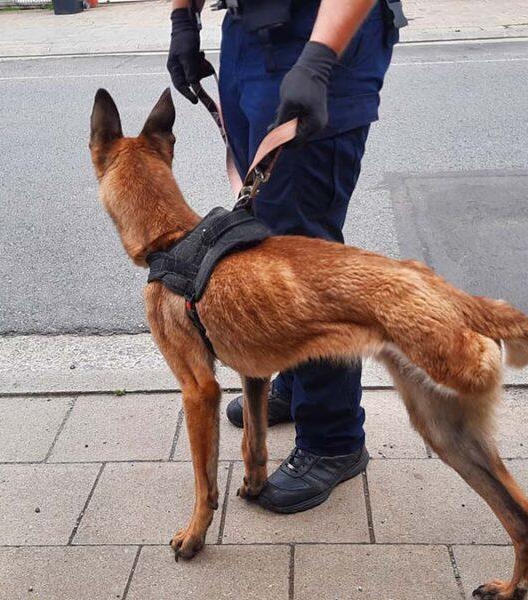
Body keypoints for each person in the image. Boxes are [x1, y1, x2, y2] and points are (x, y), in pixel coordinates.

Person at [166, 0, 400, 514]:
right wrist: (184, 19)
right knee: (264, 241)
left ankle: (334, 438)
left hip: (322, 38)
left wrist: (318, 58)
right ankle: (295, 383)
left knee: (304, 259)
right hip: (248, 36)